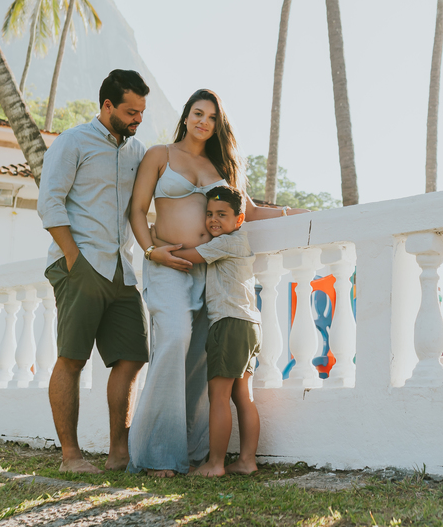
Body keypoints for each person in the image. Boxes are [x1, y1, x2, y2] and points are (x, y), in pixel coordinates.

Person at [128, 89, 301, 477]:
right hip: (167, 264)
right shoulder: (160, 155)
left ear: (217, 125)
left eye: (210, 117)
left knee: (198, 358)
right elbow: (137, 210)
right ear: (186, 116)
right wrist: (151, 251)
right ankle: (156, 454)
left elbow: (250, 211)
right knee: (173, 340)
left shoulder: (221, 167)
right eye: (197, 113)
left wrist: (298, 212)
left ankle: (190, 450)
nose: (203, 121)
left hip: (209, 273)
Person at [37, 68, 157, 474]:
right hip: (80, 264)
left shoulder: (137, 151)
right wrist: (73, 257)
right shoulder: (73, 141)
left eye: (142, 111)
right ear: (107, 106)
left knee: (132, 356)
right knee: (71, 359)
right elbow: (49, 202)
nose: (138, 119)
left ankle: (118, 454)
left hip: (121, 270)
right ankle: (71, 457)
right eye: (131, 111)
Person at [153, 186, 260, 477]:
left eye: (222, 215)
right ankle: (247, 461)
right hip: (249, 325)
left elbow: (188, 257)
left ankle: (215, 464)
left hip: (228, 323)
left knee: (219, 395)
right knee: (243, 395)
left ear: (239, 220)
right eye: (210, 214)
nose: (213, 220)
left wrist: (155, 244)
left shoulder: (226, 242)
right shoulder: (237, 240)